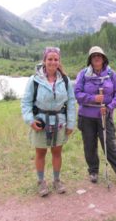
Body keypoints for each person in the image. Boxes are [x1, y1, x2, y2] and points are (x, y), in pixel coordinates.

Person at [21, 47, 76, 197]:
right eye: (50, 59)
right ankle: (41, 182)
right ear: (44, 61)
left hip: (59, 122)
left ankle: (57, 180)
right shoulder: (34, 80)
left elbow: (71, 102)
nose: (53, 62)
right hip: (41, 122)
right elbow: (26, 102)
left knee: (57, 152)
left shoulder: (65, 80)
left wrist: (71, 123)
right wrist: (30, 120)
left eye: (56, 59)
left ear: (59, 61)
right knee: (40, 152)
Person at [74, 46, 116, 189]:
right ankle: (93, 171)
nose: (97, 58)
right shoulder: (83, 74)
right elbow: (77, 94)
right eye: (94, 56)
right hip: (86, 117)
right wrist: (93, 98)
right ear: (90, 60)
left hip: (105, 115)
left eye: (99, 55)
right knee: (89, 146)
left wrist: (110, 106)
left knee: (110, 146)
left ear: (104, 58)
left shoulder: (111, 74)